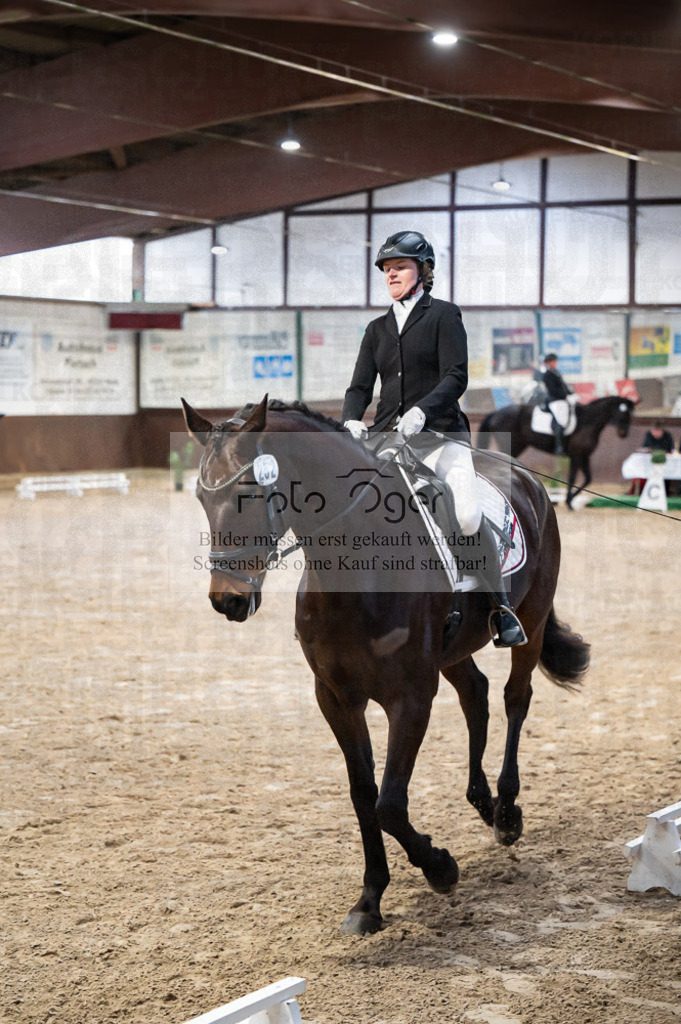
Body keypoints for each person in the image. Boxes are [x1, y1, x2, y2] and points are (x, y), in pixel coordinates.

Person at [341, 229, 526, 648]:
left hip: (441, 437)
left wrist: (422, 411)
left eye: (400, 267)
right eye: (387, 269)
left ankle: (500, 607)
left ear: (423, 271)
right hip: (388, 440)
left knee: (464, 514)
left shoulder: (444, 314)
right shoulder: (376, 329)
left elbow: (455, 376)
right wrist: (351, 419)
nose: (391, 275)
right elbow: (359, 387)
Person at [535, 352, 571, 455]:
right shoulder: (547, 374)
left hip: (562, 399)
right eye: (553, 361)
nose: (555, 363)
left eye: (555, 361)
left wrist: (570, 393)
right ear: (549, 363)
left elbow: (563, 386)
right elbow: (553, 390)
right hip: (555, 400)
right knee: (561, 420)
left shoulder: (556, 372)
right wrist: (564, 395)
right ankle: (559, 447)